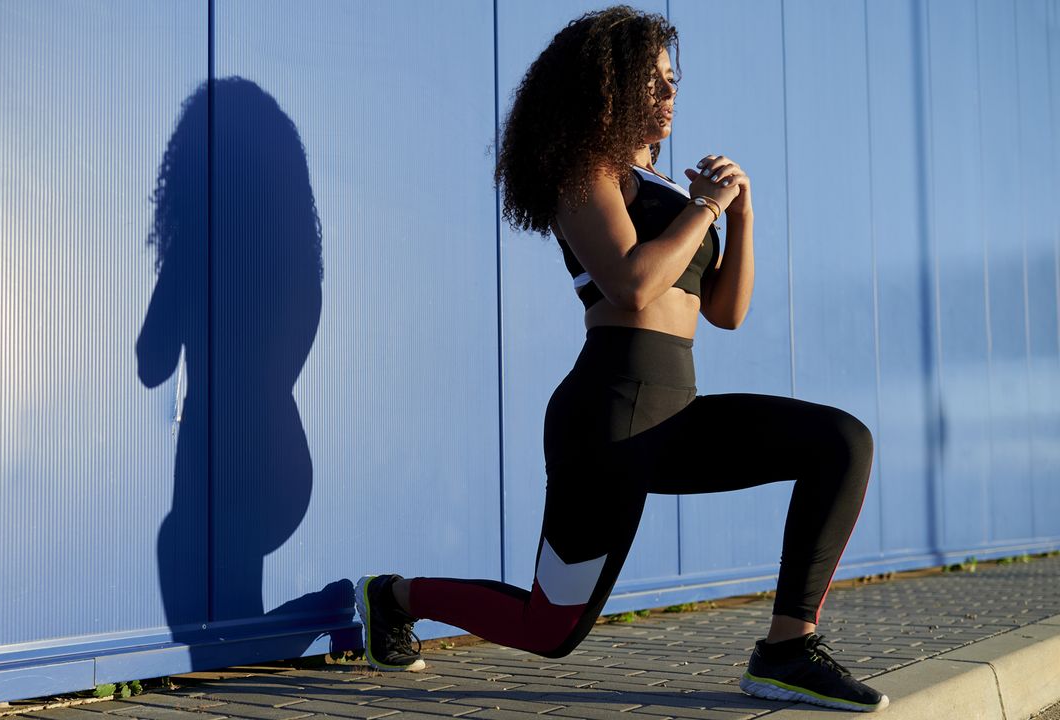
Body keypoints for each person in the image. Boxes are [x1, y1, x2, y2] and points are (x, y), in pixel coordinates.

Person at [355, 5, 887, 713]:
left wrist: (742, 213)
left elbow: (726, 312)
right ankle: (394, 597)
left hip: (677, 412)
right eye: (653, 82)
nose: (669, 96)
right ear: (608, 89)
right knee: (550, 631)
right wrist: (703, 208)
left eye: (673, 81)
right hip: (604, 418)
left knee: (840, 440)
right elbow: (633, 285)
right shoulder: (583, 174)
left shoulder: (669, 186)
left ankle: (787, 650)